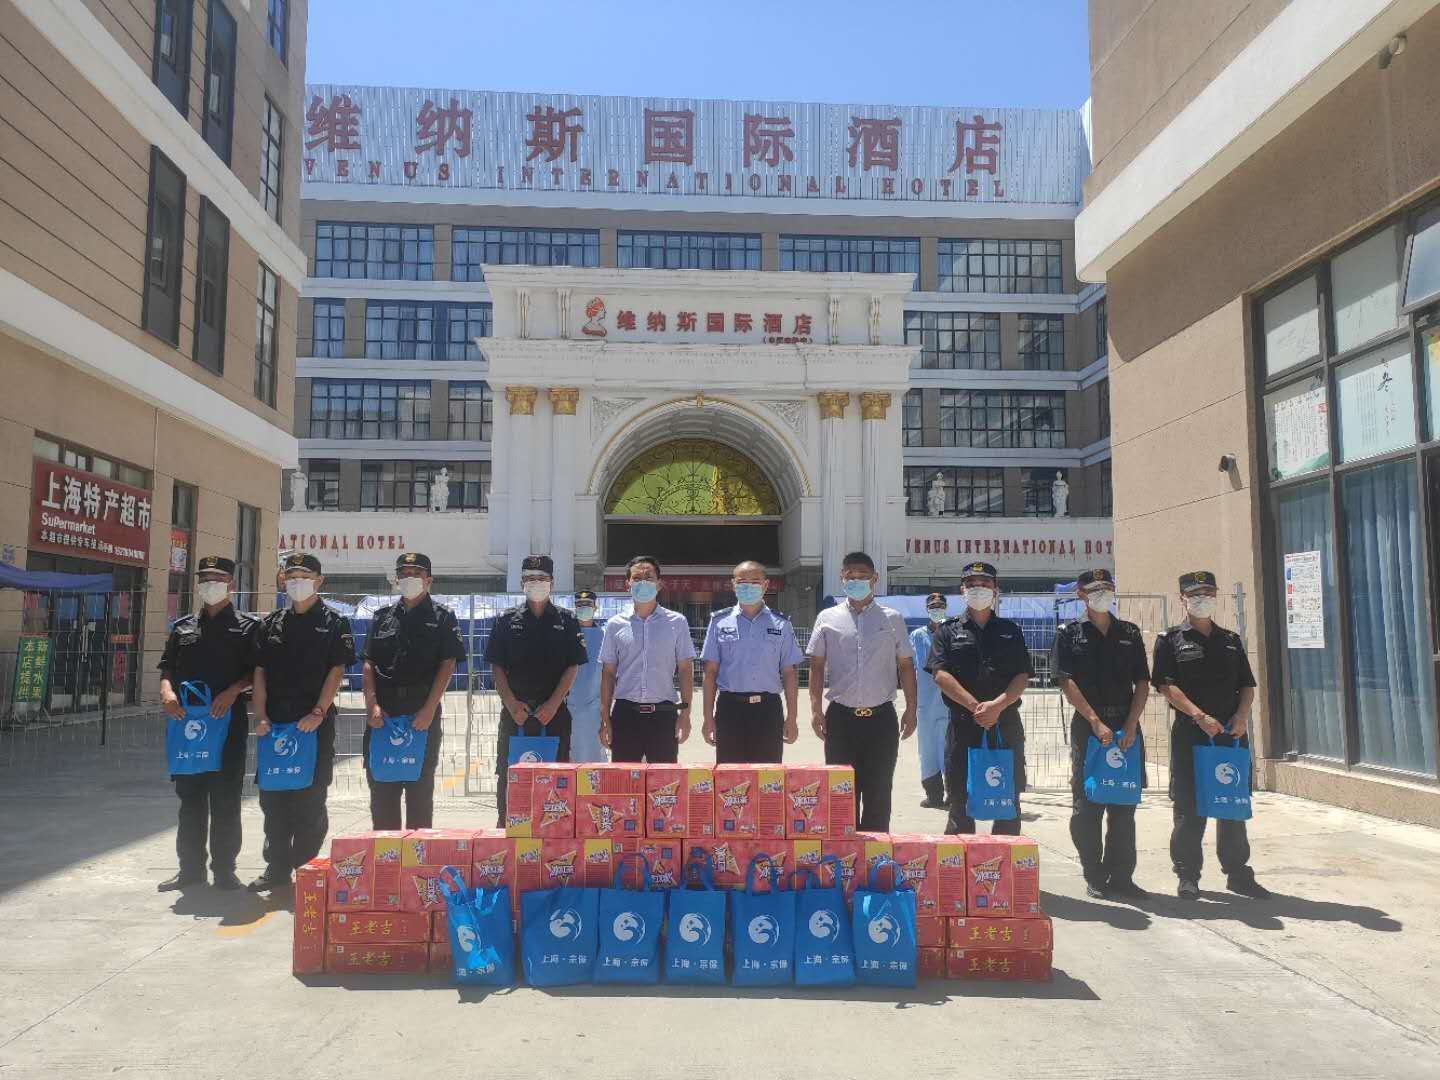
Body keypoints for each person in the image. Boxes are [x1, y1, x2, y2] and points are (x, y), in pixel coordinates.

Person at [1152, 570, 1270, 900]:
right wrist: (1198, 715)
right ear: (1182, 599)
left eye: (1208, 593)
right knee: (1189, 808)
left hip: (1230, 734)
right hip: (1192, 734)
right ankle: (1188, 875)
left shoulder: (1230, 640)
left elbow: (1246, 685)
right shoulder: (1170, 640)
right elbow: (1167, 686)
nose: (1202, 599)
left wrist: (1242, 716)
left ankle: (1238, 874)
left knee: (1232, 805)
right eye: (1195, 594)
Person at [249, 553, 355, 894]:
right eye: (291, 575)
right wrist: (260, 715)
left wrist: (318, 712)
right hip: (275, 725)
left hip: (313, 724)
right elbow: (260, 673)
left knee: (310, 798)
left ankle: (306, 867)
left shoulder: (334, 623)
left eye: (304, 575)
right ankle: (277, 867)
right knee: (273, 800)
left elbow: (336, 671)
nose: (297, 581)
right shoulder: (270, 624)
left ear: (319, 581)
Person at [155, 556, 259, 892]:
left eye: (217, 578)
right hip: (188, 727)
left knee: (225, 800)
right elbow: (167, 668)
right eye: (204, 579)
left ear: (231, 584)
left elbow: (256, 672)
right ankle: (190, 870)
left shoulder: (247, 627)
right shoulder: (183, 627)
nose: (209, 584)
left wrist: (234, 690)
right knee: (191, 800)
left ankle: (225, 871)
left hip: (226, 725)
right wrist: (167, 692)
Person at [1052, 568, 1150, 900]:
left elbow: (1142, 681)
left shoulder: (1129, 633)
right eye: (1095, 589)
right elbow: (1066, 681)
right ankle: (1094, 873)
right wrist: (1094, 721)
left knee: (1124, 806)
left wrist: (1132, 723)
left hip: (1126, 727)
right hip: (1089, 728)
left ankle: (1122, 877)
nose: (1102, 593)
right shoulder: (1069, 634)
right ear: (1081, 594)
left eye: (1107, 587)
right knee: (1088, 806)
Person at [807, 551, 917, 831]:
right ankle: (845, 855)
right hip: (841, 719)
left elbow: (905, 666)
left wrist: (912, 709)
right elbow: (816, 666)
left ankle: (876, 853)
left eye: (862, 576)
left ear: (875, 579)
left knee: (879, 792)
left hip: (881, 720)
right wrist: (816, 709)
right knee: (841, 795)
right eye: (850, 576)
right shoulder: (827, 618)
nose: (856, 581)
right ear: (842, 578)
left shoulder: (892, 619)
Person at [361, 552, 466, 830]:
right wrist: (372, 705)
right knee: (382, 795)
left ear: (428, 580)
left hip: (421, 715)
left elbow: (448, 664)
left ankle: (418, 855)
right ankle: (387, 854)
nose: (410, 579)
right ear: (396, 580)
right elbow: (369, 663)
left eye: (416, 574)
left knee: (419, 797)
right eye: (404, 574)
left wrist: (429, 709)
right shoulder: (382, 617)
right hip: (383, 717)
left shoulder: (442, 617)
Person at [926, 561, 1033, 836]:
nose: (978, 588)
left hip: (1005, 724)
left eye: (985, 584)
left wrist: (997, 706)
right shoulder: (947, 630)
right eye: (972, 584)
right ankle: (958, 863)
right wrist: (977, 708)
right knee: (959, 803)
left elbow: (1022, 675)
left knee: (1008, 803)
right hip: (964, 725)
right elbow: (940, 674)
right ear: (962, 590)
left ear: (995, 589)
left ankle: (1004, 860)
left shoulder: (1010, 630)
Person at [485, 555, 587, 826]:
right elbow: (496, 666)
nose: (536, 583)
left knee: (556, 779)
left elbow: (573, 666)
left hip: (553, 714)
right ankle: (507, 832)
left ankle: (554, 835)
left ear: (552, 582)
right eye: (530, 579)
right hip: (515, 714)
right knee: (510, 777)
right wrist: (511, 703)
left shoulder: (567, 621)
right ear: (522, 583)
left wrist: (553, 704)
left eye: (542, 578)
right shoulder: (506, 621)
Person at [700, 560, 804, 763]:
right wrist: (708, 718)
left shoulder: (781, 624)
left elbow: (789, 673)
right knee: (730, 776)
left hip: (768, 710)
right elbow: (710, 672)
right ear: (733, 585)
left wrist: (792, 718)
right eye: (742, 582)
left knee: (768, 775)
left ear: (765, 585)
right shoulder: (719, 622)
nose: (748, 587)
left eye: (755, 582)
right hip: (730, 709)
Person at [599, 556, 695, 764]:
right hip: (626, 714)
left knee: (663, 779)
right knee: (624, 778)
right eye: (637, 578)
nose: (643, 582)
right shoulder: (615, 625)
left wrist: (686, 714)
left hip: (663, 715)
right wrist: (605, 717)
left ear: (659, 584)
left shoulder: (677, 622)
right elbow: (608, 673)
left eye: (649, 577)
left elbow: (685, 669)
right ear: (628, 584)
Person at [908, 592, 952, 809]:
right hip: (925, 702)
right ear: (926, 609)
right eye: (933, 606)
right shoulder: (917, 636)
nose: (937, 609)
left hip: (950, 701)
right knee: (927, 750)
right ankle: (933, 794)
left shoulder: (953, 632)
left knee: (950, 748)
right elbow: (909, 667)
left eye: (940, 605)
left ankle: (954, 794)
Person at [567, 589, 608, 763]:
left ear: (595, 607)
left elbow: (609, 675)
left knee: (593, 757)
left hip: (593, 710)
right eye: (580, 605)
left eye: (588, 605)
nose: (584, 608)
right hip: (567, 706)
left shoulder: (604, 636)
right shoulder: (565, 634)